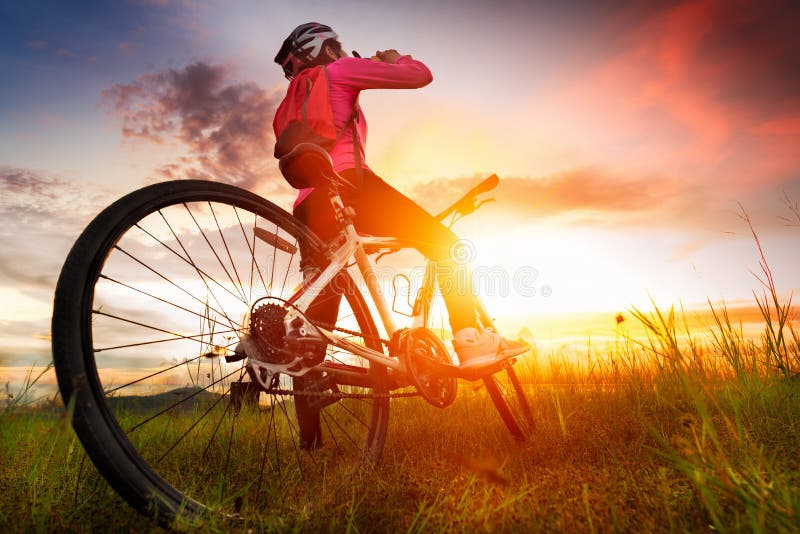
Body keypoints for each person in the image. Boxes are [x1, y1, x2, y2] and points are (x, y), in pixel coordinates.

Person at [274, 22, 528, 372]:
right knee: (446, 245)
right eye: (336, 45)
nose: (341, 50)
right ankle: (471, 342)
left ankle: (308, 380)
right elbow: (420, 75)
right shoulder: (340, 70)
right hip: (350, 186)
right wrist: (395, 59)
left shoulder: (291, 99)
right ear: (324, 47)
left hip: (307, 204)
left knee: (318, 319)